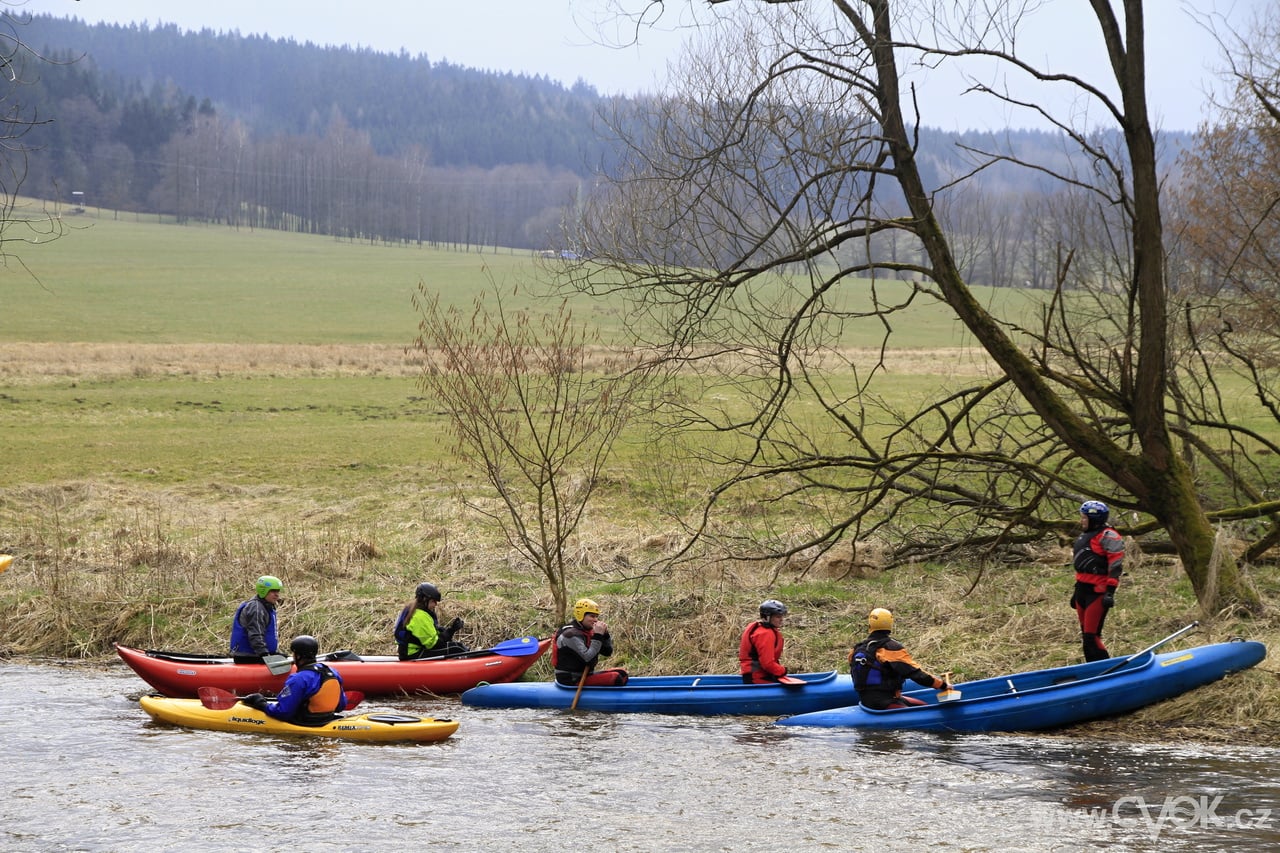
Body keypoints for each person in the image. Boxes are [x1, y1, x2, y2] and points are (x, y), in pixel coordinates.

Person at [850, 607, 950, 710]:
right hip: (883, 702)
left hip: (869, 701)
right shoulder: (890, 648)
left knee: (923, 705)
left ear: (870, 624)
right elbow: (916, 674)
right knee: (925, 710)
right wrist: (942, 685)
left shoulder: (857, 649)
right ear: (890, 624)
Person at [242, 635, 348, 725]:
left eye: (293, 654)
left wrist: (261, 703)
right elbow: (340, 705)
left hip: (307, 723)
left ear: (298, 656)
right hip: (327, 719)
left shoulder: (298, 679)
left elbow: (283, 712)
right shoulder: (333, 672)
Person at [1071, 499, 1125, 662]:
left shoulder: (1109, 536)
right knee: (1085, 636)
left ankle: (1107, 672)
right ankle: (1093, 671)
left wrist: (1110, 591)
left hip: (1098, 591)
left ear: (1095, 519)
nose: (1081, 521)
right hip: (1082, 590)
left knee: (1091, 637)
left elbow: (1115, 564)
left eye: (1084, 518)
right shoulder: (1084, 536)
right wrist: (1076, 592)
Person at [553, 597, 629, 686]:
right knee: (616, 678)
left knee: (623, 673)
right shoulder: (570, 635)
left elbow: (607, 652)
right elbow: (588, 659)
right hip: (571, 679)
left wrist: (605, 635)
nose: (596, 620)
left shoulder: (587, 631)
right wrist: (597, 636)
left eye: (596, 616)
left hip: (584, 675)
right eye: (592, 616)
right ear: (580, 615)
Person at [394, 582, 467, 659]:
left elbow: (430, 635)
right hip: (413, 654)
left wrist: (444, 631)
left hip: (409, 652)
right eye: (433, 601)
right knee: (456, 649)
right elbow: (434, 644)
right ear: (425, 599)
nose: (435, 604)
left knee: (457, 646)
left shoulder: (413, 610)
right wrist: (451, 631)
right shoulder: (419, 616)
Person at [229, 575, 282, 664]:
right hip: (248, 656)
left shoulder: (266, 607)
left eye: (278, 591)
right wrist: (265, 655)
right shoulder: (256, 608)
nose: (277, 595)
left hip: (256, 654)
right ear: (263, 591)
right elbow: (256, 634)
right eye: (273, 591)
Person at [739, 599, 790, 684]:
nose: (781, 619)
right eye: (778, 617)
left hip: (755, 676)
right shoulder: (765, 634)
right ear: (767, 617)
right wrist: (783, 671)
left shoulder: (760, 630)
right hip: (758, 679)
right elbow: (768, 664)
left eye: (781, 616)